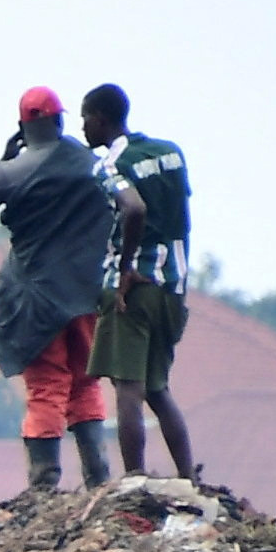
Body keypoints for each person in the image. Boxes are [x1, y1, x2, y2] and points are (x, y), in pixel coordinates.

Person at [0, 87, 121, 492]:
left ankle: (44, 484)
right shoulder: (90, 163)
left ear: (22, 127)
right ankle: (98, 479)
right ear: (60, 121)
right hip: (86, 295)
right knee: (85, 381)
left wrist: (4, 159)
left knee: (46, 386)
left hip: (35, 301)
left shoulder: (11, 172)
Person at [80, 85, 199, 483]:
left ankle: (133, 480)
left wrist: (127, 268)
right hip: (174, 287)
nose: (83, 128)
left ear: (100, 118)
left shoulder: (110, 165)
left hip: (134, 289)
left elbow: (134, 207)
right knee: (157, 387)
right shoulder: (170, 153)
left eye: (85, 119)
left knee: (127, 387)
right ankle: (186, 475)